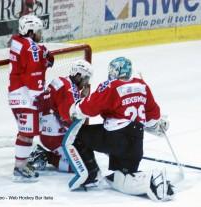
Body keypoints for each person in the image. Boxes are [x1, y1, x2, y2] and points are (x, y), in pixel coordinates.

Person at [66, 57, 174, 201]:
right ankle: (151, 182)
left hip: (116, 139)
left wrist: (77, 107)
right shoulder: (142, 85)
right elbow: (153, 117)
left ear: (116, 71)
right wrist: (158, 125)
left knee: (77, 136)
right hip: (136, 143)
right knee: (123, 178)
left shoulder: (111, 85)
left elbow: (90, 107)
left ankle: (90, 174)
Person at [8, 14, 54, 182]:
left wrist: (42, 52)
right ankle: (19, 168)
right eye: (38, 31)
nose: (40, 34)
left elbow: (39, 53)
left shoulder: (17, 41)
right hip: (26, 95)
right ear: (30, 31)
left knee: (26, 133)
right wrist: (40, 96)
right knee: (27, 133)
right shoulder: (32, 49)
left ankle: (22, 164)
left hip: (18, 93)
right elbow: (34, 75)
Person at [28, 60, 93, 173]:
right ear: (78, 75)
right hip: (55, 137)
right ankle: (46, 156)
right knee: (81, 167)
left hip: (46, 131)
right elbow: (67, 119)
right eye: (86, 78)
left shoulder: (61, 80)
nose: (86, 83)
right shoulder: (70, 91)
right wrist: (84, 101)